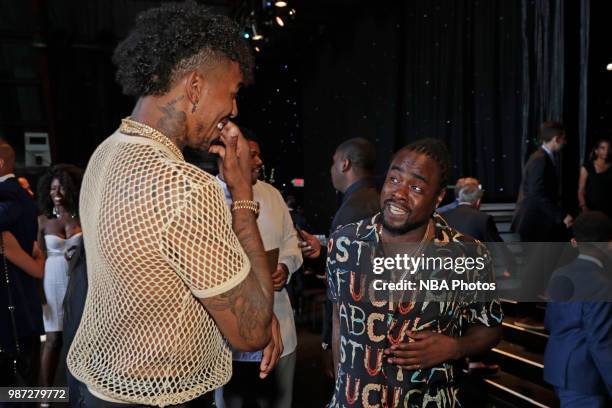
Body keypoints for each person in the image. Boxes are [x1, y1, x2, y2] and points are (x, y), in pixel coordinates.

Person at [67, 3, 278, 406]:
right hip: (161, 395)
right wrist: (243, 198)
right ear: (195, 86)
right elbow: (252, 330)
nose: (233, 110)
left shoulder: (106, 153)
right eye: (231, 94)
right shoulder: (182, 187)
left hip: (105, 386)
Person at [327, 138, 503, 407]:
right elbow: (340, 322)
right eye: (394, 179)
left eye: (416, 187)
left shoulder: (469, 254)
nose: (399, 193)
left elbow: (490, 329)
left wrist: (455, 347)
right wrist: (342, 391)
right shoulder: (344, 243)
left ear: (439, 197)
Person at [215, 133, 302, 408]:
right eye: (252, 154)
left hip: (279, 325)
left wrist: (286, 266)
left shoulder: (272, 194)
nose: (260, 161)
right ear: (227, 156)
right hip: (225, 338)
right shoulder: (204, 198)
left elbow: (291, 241)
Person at [298, 137, 380, 378]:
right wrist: (323, 253)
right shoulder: (372, 199)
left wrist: (327, 342)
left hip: (354, 332)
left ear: (345, 164)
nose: (331, 169)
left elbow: (342, 286)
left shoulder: (352, 209)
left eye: (333, 163)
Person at [544, 211, 612, 407]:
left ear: (574, 242)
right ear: (609, 244)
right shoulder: (601, 284)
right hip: (585, 374)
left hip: (559, 367)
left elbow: (550, 322)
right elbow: (600, 341)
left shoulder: (560, 273)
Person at [36, 164, 83, 389]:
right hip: (52, 281)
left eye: (61, 189)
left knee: (79, 339)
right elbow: (37, 257)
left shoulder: (83, 217)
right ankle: (45, 396)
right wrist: (38, 291)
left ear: (71, 190)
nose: (56, 194)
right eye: (53, 189)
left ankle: (79, 393)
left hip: (79, 280)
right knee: (53, 340)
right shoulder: (43, 220)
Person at [0, 142, 43, 389]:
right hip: (17, 309)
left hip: (14, 311)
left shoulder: (10, 195)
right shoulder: (14, 195)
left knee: (18, 390)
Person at [512, 120, 572, 241]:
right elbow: (536, 194)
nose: (565, 142)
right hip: (534, 222)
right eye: (563, 138)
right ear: (556, 139)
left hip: (539, 221)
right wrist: (560, 216)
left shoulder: (542, 157)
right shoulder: (540, 159)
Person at [578, 138, 612, 217]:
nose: (606, 151)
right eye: (602, 148)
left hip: (609, 210)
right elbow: (581, 190)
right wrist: (583, 206)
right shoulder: (587, 167)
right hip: (591, 209)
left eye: (609, 148)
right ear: (596, 151)